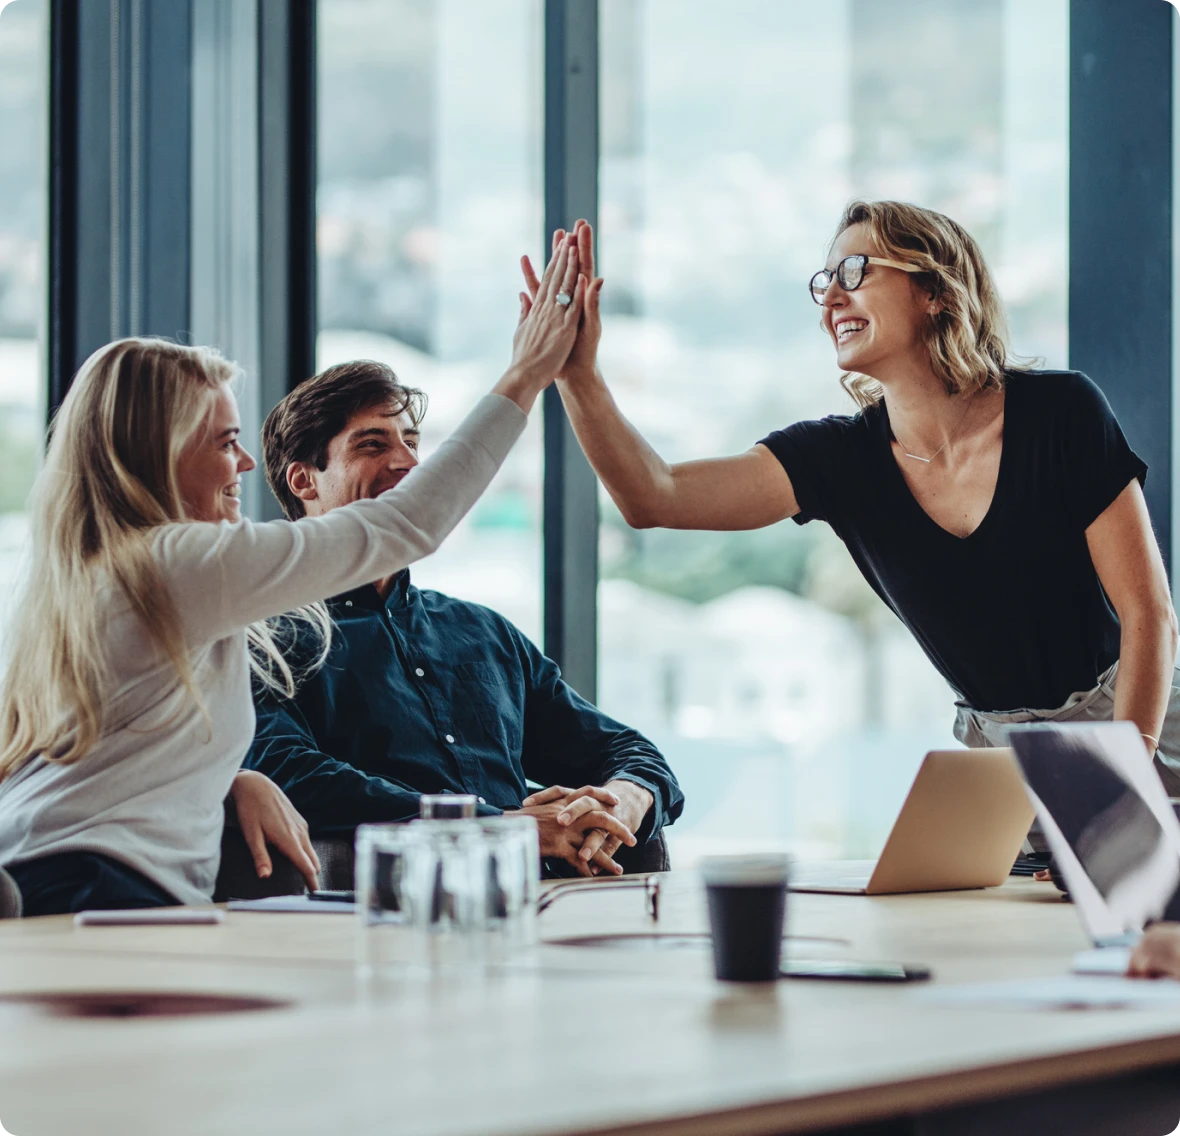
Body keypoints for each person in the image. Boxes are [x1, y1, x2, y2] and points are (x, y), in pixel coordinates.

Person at [0, 234, 586, 915]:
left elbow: (113, 753)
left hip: (48, 879)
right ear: (158, 453)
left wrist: (232, 781)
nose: (244, 465)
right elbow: (407, 524)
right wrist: (524, 378)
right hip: (100, 889)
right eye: (224, 443)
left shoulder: (83, 576)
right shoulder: (173, 563)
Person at [521, 205, 1180, 793]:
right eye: (824, 280)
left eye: (856, 271)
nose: (830, 297)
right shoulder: (839, 461)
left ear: (933, 290)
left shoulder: (1061, 412)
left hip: (1138, 727)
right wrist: (578, 375)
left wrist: (1125, 779)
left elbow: (1149, 614)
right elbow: (653, 496)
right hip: (1002, 765)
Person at [245, 360, 683, 879]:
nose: (408, 462)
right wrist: (496, 826)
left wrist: (624, 799)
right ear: (304, 480)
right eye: (372, 444)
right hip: (384, 912)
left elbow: (627, 750)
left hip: (541, 908)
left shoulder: (483, 632)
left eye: (411, 441)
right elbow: (288, 772)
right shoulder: (263, 636)